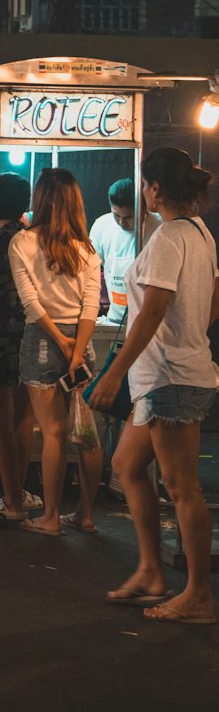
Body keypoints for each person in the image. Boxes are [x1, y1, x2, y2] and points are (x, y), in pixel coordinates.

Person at [91, 147, 219, 624]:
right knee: (126, 465)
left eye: (145, 185)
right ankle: (150, 569)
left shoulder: (170, 236)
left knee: (182, 487)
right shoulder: (200, 232)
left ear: (155, 188)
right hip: (167, 374)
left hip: (170, 378)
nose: (143, 193)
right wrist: (192, 334)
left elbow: (153, 310)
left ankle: (200, 595)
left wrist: (114, 372)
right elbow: (213, 295)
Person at [9, 167, 103, 537]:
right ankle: (86, 514)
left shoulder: (22, 241)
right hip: (82, 344)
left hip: (43, 342)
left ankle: (50, 517)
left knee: (53, 433)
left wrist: (61, 343)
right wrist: (77, 349)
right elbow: (91, 307)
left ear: (40, 199)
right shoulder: (87, 249)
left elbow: (29, 302)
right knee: (88, 434)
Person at [0, 174, 42, 521]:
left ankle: (12, 498)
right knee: (24, 416)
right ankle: (19, 492)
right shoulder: (37, 243)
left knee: (0, 418)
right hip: (32, 335)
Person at [90, 179, 159, 326]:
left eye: (128, 217)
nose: (121, 222)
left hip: (151, 324)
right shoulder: (102, 226)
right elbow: (89, 273)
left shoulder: (160, 227)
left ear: (144, 209)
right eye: (116, 215)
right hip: (114, 321)